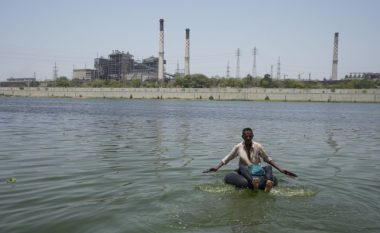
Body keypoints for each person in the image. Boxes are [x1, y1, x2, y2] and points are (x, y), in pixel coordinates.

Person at [203, 127, 296, 192]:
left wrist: (281, 170)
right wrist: (217, 167)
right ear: (242, 136)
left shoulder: (258, 146)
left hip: (256, 169)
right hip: (246, 171)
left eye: (250, 135)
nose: (248, 137)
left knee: (268, 167)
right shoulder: (238, 147)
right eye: (246, 136)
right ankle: (253, 182)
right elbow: (228, 158)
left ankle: (269, 183)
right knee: (242, 166)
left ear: (253, 136)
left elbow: (267, 158)